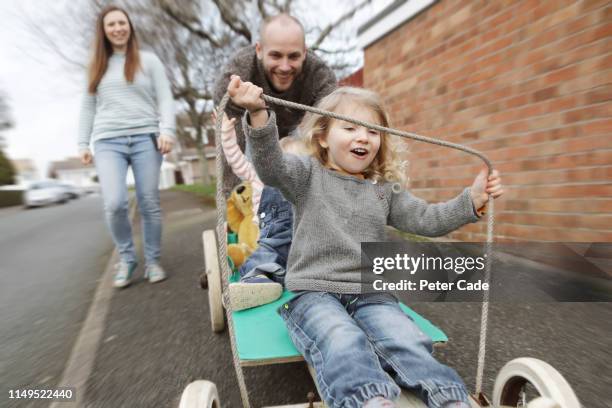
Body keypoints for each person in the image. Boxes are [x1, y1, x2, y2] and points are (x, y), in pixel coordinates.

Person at [227, 76, 504, 408]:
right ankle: (369, 400)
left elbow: (428, 219)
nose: (363, 137)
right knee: (341, 341)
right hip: (316, 293)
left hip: (371, 294)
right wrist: (258, 115)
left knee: (408, 340)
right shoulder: (306, 175)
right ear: (323, 137)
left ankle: (451, 399)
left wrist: (471, 201)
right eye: (351, 128)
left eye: (373, 131)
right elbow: (271, 166)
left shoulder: (383, 190)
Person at [78, 6, 175, 288]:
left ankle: (153, 261)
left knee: (149, 201)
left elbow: (166, 99)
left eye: (122, 23)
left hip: (146, 137)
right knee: (115, 203)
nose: (118, 28)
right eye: (112, 24)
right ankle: (127, 257)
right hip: (108, 141)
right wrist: (83, 142)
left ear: (129, 27)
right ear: (104, 31)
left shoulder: (149, 61)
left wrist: (167, 130)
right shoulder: (96, 65)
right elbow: (87, 106)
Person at [214, 13, 337, 197]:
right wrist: (232, 212)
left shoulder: (321, 78)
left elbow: (328, 141)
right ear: (259, 50)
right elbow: (232, 152)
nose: (285, 66)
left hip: (301, 134)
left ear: (305, 52)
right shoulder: (235, 79)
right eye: (276, 55)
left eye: (294, 56)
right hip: (252, 137)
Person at [219, 113, 308, 311]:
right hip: (271, 239)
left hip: (306, 242)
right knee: (263, 258)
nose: (290, 170)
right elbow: (236, 160)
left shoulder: (312, 184)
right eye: (286, 162)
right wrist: (226, 134)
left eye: (299, 164)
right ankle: (258, 283)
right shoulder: (260, 177)